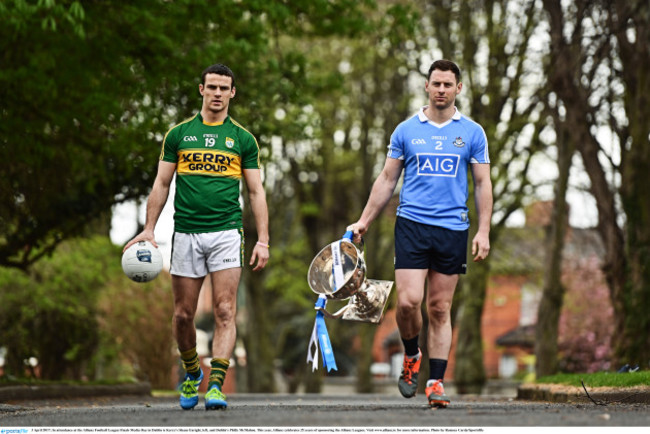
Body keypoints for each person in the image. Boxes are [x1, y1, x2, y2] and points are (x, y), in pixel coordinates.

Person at [347, 59, 492, 409]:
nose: (441, 89)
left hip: (453, 228)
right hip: (411, 224)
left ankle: (436, 382)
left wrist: (483, 230)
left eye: (448, 84)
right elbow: (386, 180)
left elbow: (483, 182)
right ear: (426, 86)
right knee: (410, 302)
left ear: (458, 89)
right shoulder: (406, 131)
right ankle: (412, 355)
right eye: (436, 83)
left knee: (440, 308)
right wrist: (363, 220)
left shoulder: (472, 133)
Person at [124, 63, 269, 411]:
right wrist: (148, 229)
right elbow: (161, 184)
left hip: (226, 233)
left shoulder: (243, 140)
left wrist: (262, 239)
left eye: (224, 88)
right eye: (212, 87)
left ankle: (216, 386)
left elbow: (256, 192)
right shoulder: (178, 135)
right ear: (201, 90)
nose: (218, 93)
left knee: (224, 310)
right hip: (186, 233)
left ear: (232, 93)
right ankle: (191, 372)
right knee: (183, 315)